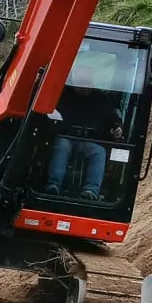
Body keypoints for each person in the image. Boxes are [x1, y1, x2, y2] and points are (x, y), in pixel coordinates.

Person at [42, 49, 125, 198]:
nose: (83, 87)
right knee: (61, 146)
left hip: (91, 141)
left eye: (86, 82)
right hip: (66, 137)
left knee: (99, 152)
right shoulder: (63, 96)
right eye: (80, 83)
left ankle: (91, 191)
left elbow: (112, 116)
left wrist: (117, 126)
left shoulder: (101, 99)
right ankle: (54, 185)